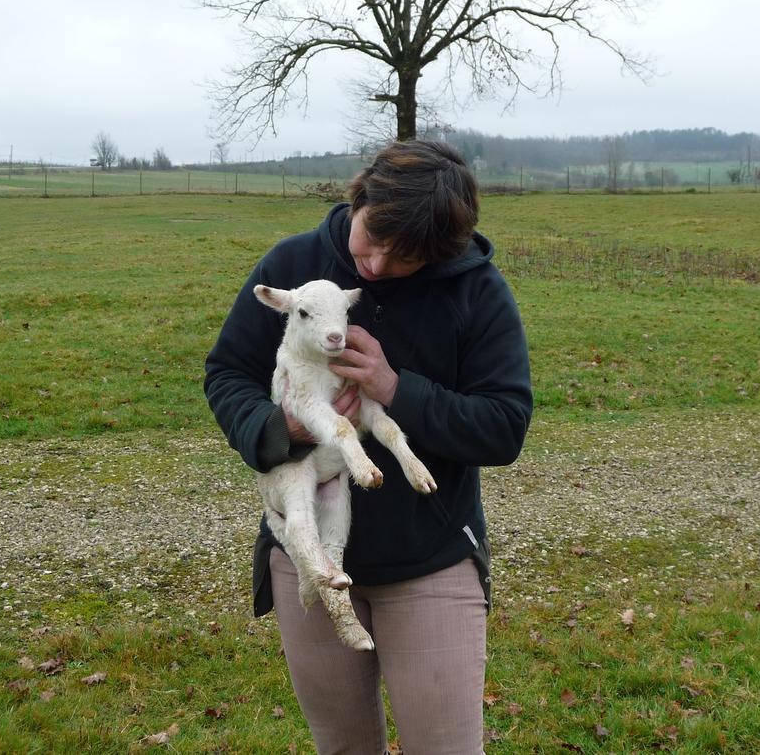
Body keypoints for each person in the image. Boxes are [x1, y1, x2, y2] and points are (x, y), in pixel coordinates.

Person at [204, 139, 532, 754]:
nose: (377, 265)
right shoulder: (291, 265)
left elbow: (504, 424)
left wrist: (394, 389)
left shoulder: (477, 291)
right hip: (310, 559)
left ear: (441, 251)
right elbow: (227, 375)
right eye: (372, 237)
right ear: (361, 196)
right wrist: (283, 430)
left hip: (429, 559)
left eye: (404, 257)